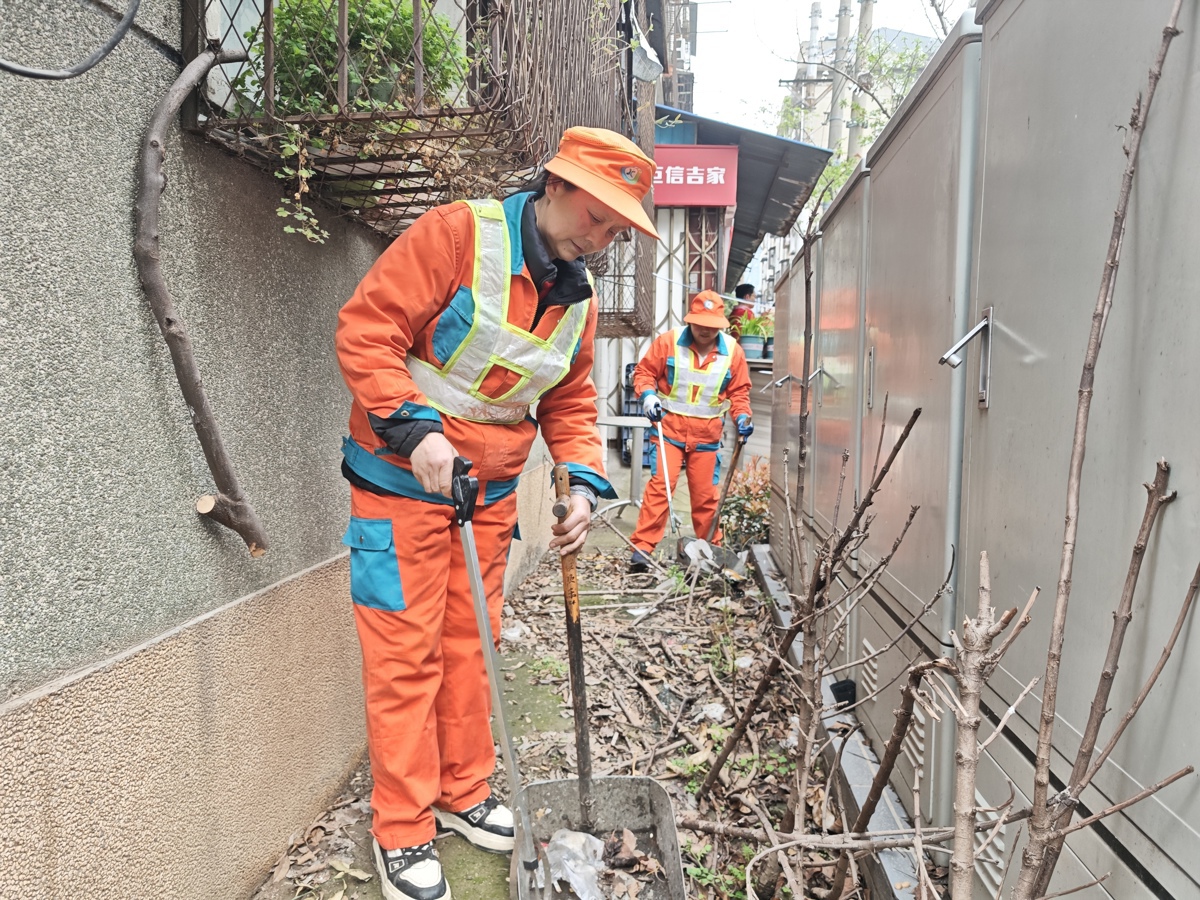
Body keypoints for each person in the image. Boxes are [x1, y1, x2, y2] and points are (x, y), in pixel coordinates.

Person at [335, 126, 658, 900]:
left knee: (471, 644)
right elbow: (367, 331)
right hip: (399, 485)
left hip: (488, 499)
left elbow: (571, 400)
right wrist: (415, 430)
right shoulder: (456, 235)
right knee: (405, 657)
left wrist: (581, 484)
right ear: (558, 185)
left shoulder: (576, 300)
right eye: (600, 216)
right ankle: (403, 829)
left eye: (618, 228)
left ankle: (463, 790)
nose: (604, 237)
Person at [628, 290, 753, 573]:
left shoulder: (733, 352)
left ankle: (711, 549)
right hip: (668, 431)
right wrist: (648, 396)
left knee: (706, 496)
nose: (705, 331)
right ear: (690, 321)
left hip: (707, 438)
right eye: (700, 324)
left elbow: (740, 393)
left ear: (720, 324)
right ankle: (642, 549)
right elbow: (645, 372)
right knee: (661, 488)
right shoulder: (669, 342)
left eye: (711, 326)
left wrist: (743, 417)